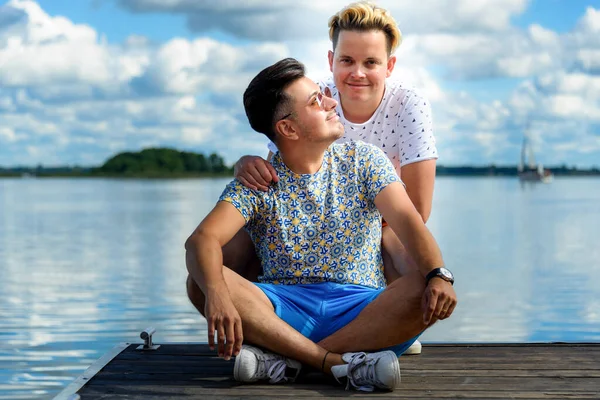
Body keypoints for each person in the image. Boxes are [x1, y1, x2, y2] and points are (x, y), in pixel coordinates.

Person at [185, 57, 457, 392]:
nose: (331, 102)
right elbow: (201, 240)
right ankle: (342, 364)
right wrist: (216, 295)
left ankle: (290, 361)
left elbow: (409, 223)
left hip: (363, 312)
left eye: (323, 94)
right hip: (282, 311)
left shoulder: (366, 161)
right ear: (288, 129)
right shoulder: (258, 180)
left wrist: (438, 275)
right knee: (201, 281)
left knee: (423, 285)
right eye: (316, 100)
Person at [234, 1, 437, 355]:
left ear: (388, 66)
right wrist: (244, 164)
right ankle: (277, 323)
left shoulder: (409, 105)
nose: (357, 72)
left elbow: (417, 210)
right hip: (314, 216)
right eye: (347, 61)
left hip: (383, 218)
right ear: (331, 61)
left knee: (414, 258)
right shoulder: (315, 99)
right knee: (231, 249)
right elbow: (279, 169)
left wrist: (362, 214)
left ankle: (375, 325)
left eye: (371, 62)